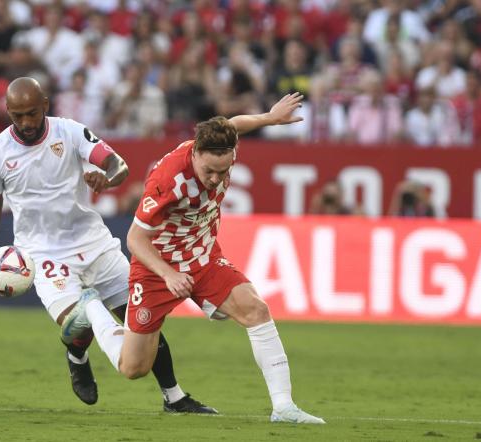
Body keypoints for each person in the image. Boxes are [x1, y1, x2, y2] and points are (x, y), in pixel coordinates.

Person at [61, 92, 325, 424]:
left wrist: (270, 118)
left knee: (255, 309)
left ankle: (283, 408)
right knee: (134, 368)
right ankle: (91, 307)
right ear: (195, 152)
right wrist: (168, 274)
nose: (216, 179)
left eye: (223, 170)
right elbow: (134, 239)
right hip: (157, 266)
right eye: (210, 171)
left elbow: (233, 125)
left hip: (202, 256)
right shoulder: (168, 179)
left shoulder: (220, 143)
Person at [0, 77, 215, 414]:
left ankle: (174, 397)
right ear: (8, 112)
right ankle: (77, 354)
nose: (26, 123)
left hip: (94, 244)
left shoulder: (70, 132)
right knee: (77, 320)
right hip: (43, 254)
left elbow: (117, 164)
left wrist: (107, 177)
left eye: (32, 113)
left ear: (45, 103)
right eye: (18, 116)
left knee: (141, 320)